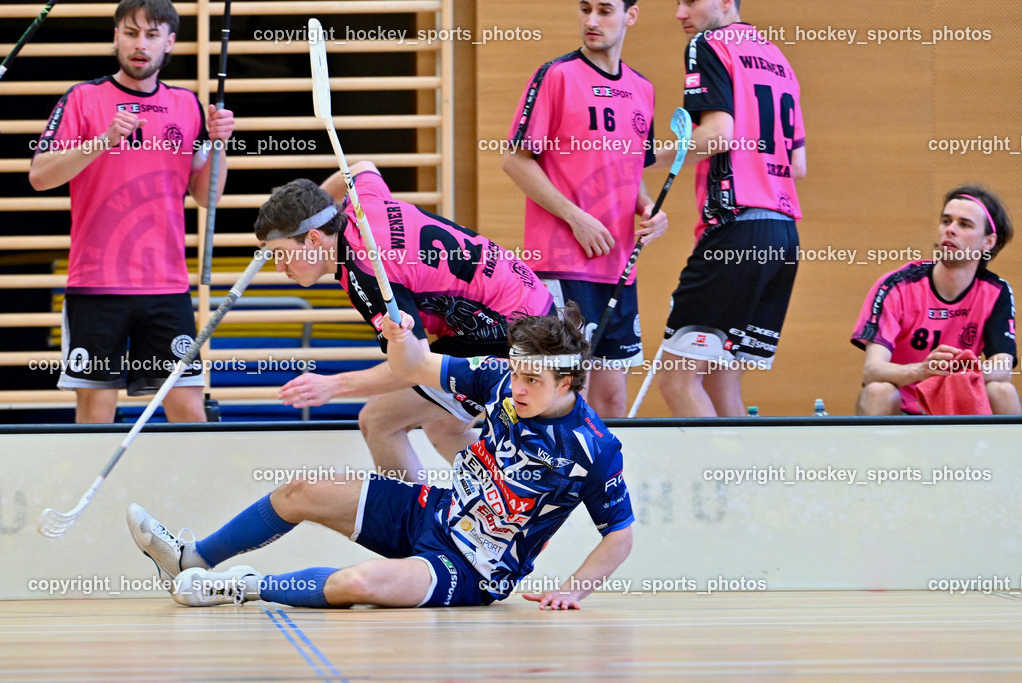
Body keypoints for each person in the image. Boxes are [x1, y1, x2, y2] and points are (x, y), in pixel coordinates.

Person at [126, 303, 634, 610]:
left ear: (566, 383)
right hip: (433, 511)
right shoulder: (500, 375)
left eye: (533, 381)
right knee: (301, 490)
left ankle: (241, 588)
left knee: (358, 583)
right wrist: (401, 338)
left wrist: (573, 590)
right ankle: (190, 559)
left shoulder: (593, 448)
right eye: (518, 374)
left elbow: (620, 535)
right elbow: (414, 364)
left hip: (470, 568)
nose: (517, 387)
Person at [255, 162, 554, 482]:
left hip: (507, 329)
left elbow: (414, 365)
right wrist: (314, 207)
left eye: (282, 253)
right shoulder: (362, 205)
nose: (279, 267)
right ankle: (508, 511)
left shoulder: (368, 274)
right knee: (445, 425)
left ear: (314, 239)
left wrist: (333, 384)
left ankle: (418, 526)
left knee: (380, 422)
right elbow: (361, 167)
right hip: (531, 303)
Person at [28, 0, 233, 424]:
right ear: (116, 36)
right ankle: (93, 493)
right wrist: (103, 139)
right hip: (96, 284)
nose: (141, 44)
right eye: (131, 33)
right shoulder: (83, 98)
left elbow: (205, 195)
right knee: (97, 412)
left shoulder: (187, 106)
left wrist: (218, 143)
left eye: (152, 35)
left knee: (188, 409)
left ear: (169, 43)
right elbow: (40, 175)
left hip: (166, 286)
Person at [502, 0, 666, 418]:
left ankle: (599, 483)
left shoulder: (642, 89)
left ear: (631, 15)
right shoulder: (556, 76)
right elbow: (515, 160)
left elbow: (630, 171)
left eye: (605, 10)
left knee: (611, 400)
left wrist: (648, 207)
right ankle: (556, 483)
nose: (591, 21)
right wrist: (575, 217)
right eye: (585, 8)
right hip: (561, 265)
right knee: (565, 395)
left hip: (620, 267)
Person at [657, 0, 806, 417]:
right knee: (723, 384)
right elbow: (798, 165)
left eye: (689, 1)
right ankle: (747, 481)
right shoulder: (778, 59)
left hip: (736, 229)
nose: (679, 14)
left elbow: (718, 134)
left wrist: (647, 156)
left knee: (678, 380)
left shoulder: (708, 44)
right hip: (783, 237)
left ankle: (720, 482)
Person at [852, 186, 1019, 415]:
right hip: (903, 408)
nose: (950, 230)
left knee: (1002, 391)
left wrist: (957, 372)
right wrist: (922, 370)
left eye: (964, 224)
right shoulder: (896, 286)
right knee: (878, 391)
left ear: (988, 242)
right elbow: (872, 369)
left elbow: (1002, 368)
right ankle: (874, 450)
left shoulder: (996, 292)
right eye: (946, 221)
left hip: (960, 404)